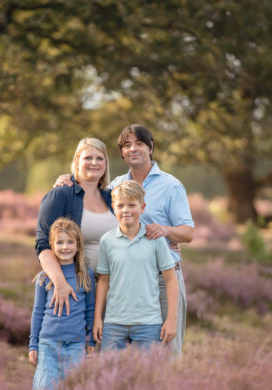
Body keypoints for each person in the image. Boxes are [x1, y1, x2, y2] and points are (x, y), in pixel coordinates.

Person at [56, 125, 194, 354]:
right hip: (122, 281)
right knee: (117, 357)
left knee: (165, 354)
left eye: (139, 143)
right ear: (121, 153)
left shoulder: (171, 186)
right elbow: (89, 188)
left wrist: (165, 230)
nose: (133, 149)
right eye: (127, 145)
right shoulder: (114, 186)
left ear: (151, 148)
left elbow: (188, 233)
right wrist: (68, 179)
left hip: (161, 280)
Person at [35, 137, 118, 316]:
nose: (94, 163)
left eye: (99, 158)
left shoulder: (112, 198)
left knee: (111, 344)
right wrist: (60, 283)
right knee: (79, 342)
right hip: (77, 287)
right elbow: (43, 245)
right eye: (88, 158)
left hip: (114, 289)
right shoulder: (60, 195)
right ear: (76, 162)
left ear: (106, 164)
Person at [94, 181, 178, 351]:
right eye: (120, 205)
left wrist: (171, 320)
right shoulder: (107, 241)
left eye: (132, 205)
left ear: (142, 207)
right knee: (110, 373)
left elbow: (170, 280)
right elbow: (103, 281)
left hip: (148, 323)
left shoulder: (156, 240)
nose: (125, 210)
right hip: (113, 323)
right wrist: (97, 319)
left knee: (148, 375)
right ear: (113, 208)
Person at [29, 218, 96, 390]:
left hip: (76, 343)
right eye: (60, 242)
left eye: (70, 242)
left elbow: (90, 310)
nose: (65, 247)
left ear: (78, 245)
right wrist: (33, 345)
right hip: (49, 343)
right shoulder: (45, 277)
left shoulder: (85, 275)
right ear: (51, 245)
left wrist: (90, 340)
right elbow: (37, 312)